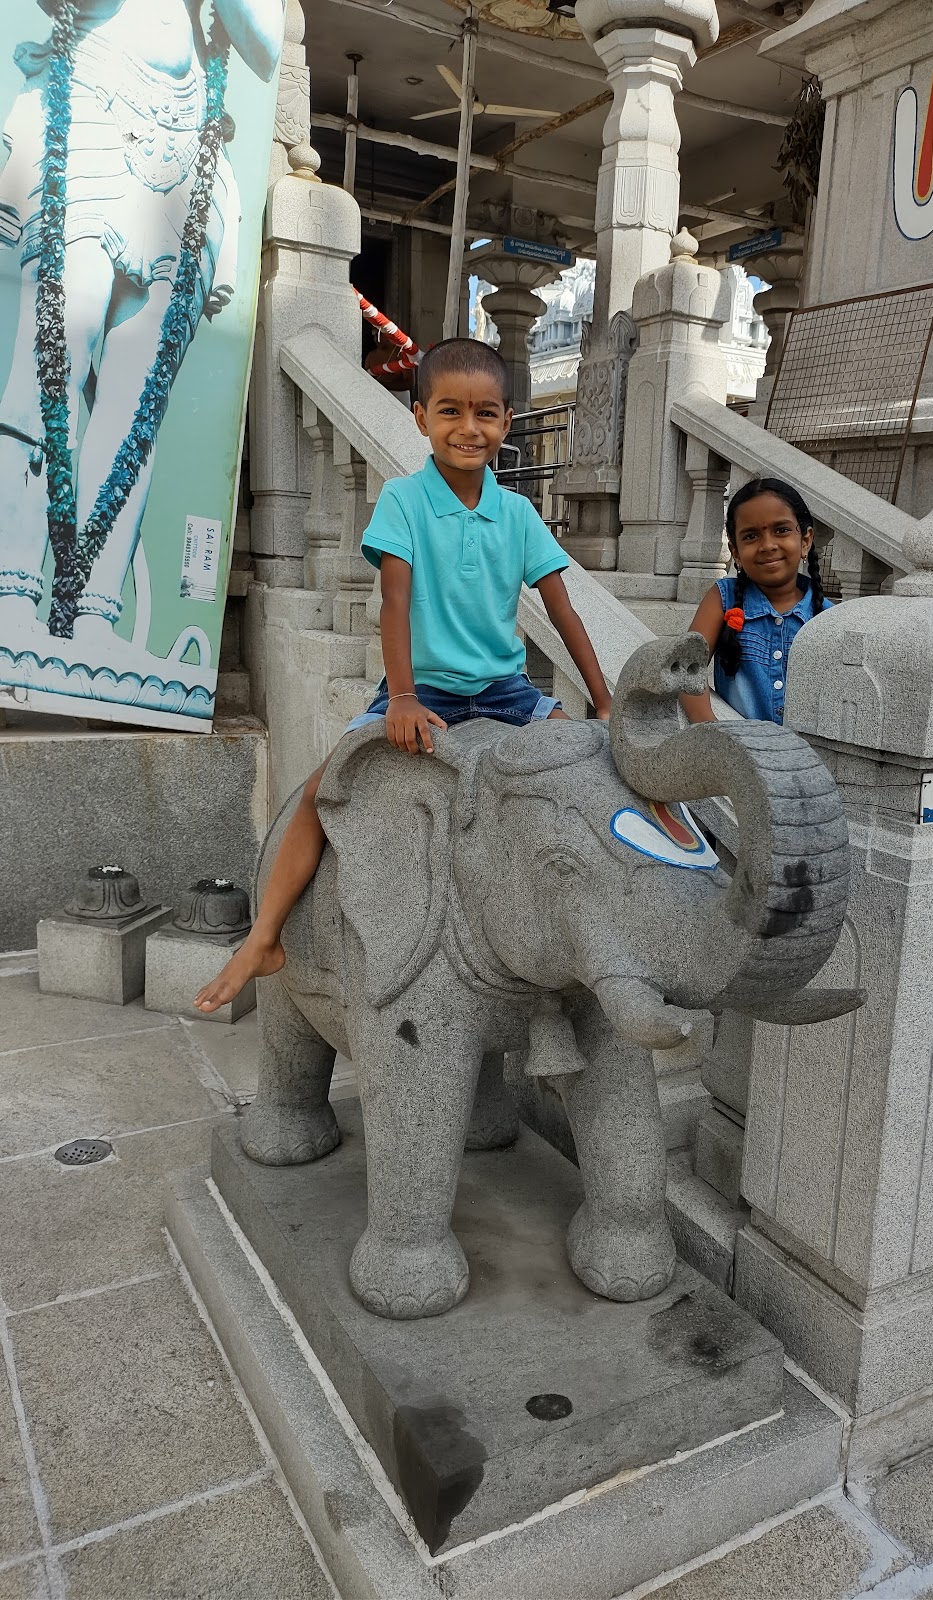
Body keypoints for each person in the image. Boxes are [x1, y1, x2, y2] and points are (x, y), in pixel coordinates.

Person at [195, 338, 611, 1012]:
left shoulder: (518, 514)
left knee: (584, 775)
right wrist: (405, 698)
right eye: (449, 411)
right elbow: (393, 602)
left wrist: (601, 699)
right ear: (420, 417)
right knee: (319, 790)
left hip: (507, 694)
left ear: (506, 421)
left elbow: (562, 609)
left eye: (484, 414)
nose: (467, 428)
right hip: (424, 688)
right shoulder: (404, 501)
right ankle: (264, 937)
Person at [0, 0, 283, 646]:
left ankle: (94, 610)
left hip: (187, 144)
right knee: (50, 361)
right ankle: (11, 593)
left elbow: (264, 46)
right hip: (94, 101)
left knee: (135, 405)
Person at [679, 477, 832, 727]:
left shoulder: (826, 618)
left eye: (781, 530)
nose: (767, 545)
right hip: (740, 755)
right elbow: (687, 668)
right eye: (751, 536)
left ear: (805, 540)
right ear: (736, 552)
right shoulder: (723, 599)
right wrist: (710, 730)